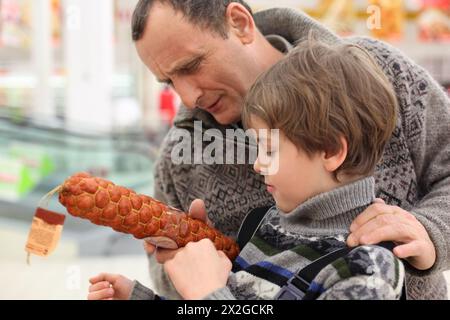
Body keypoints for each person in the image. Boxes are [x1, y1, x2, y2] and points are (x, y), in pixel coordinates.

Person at [105, 0, 450, 299]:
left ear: (239, 23)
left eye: (191, 66)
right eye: (169, 81)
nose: (187, 97)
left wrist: (429, 230)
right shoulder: (177, 161)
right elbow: (186, 284)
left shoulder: (380, 73)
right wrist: (189, 261)